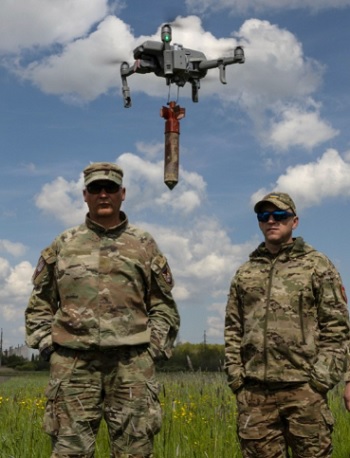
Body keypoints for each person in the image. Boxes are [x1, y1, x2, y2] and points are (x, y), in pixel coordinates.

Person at [25, 162, 180, 458]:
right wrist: (49, 347)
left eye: (110, 188)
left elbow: (163, 306)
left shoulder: (144, 244)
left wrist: (152, 350)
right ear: (85, 194)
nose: (103, 194)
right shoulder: (64, 244)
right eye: (96, 188)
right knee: (70, 453)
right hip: (73, 366)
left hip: (131, 365)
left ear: (123, 193)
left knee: (135, 452)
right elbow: (40, 303)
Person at [224, 191, 349, 458]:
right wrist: (237, 378)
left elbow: (337, 327)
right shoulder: (246, 272)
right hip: (256, 395)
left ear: (294, 221)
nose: (272, 220)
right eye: (264, 215)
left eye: (280, 215)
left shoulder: (317, 266)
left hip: (304, 390)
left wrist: (320, 381)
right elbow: (233, 328)